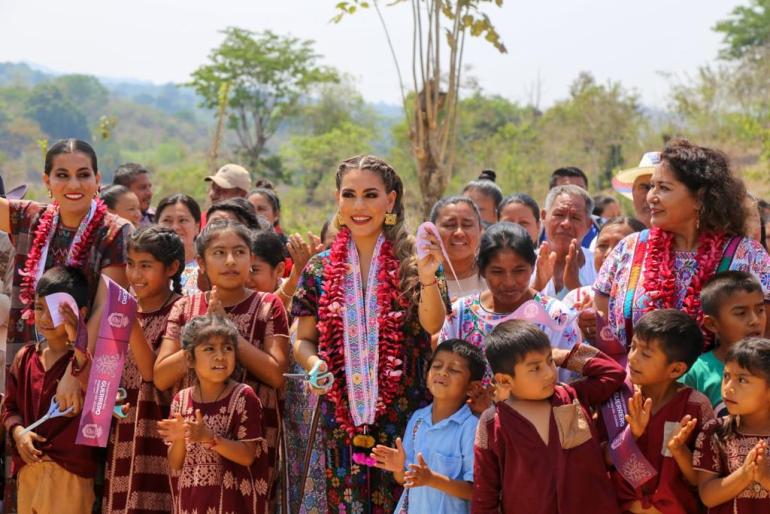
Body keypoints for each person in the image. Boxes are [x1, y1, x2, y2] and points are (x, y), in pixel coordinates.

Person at [291, 155, 449, 513]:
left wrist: (427, 277)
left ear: (390, 201)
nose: (359, 206)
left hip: (405, 412)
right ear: (337, 200)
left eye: (370, 195)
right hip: (340, 417)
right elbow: (302, 339)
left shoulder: (415, 258)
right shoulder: (319, 267)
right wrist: (314, 363)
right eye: (349, 195)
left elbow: (433, 325)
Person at [154, 219, 289, 500]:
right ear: (200, 263)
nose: (230, 261)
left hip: (249, 443)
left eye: (239, 252)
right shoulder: (185, 306)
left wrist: (227, 328)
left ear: (251, 258)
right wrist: (202, 335)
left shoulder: (268, 305)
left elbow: (276, 375)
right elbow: (162, 376)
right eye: (219, 253)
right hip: (194, 444)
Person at [595, 139, 770, 348]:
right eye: (652, 186)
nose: (651, 197)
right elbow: (605, 329)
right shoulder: (628, 249)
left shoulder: (748, 255)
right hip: (633, 379)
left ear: (700, 198)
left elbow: (762, 339)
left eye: (664, 188)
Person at [0, 139, 132, 414]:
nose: (73, 185)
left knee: (70, 454)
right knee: (22, 445)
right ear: (47, 180)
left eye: (83, 175)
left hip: (81, 367)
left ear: (98, 180)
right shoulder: (29, 217)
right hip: (26, 360)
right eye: (62, 175)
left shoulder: (115, 232)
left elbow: (105, 310)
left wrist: (75, 372)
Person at [472, 320, 624, 514]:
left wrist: (563, 355)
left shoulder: (571, 396)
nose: (549, 373)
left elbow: (613, 373)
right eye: (535, 368)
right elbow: (483, 495)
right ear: (504, 380)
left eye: (549, 361)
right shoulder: (492, 423)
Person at [102, 226, 185, 514]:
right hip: (123, 429)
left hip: (159, 428)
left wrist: (130, 322)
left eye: (146, 266)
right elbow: (109, 372)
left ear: (172, 268)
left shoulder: (180, 310)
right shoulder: (121, 310)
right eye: (131, 265)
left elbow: (153, 374)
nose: (135, 275)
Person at [439, 222, 582, 387]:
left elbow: (570, 385)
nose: (509, 282)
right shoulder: (459, 315)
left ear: (532, 266)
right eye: (497, 272)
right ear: (483, 270)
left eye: (519, 271)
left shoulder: (557, 317)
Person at [1, 267, 97, 514]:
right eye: (40, 308)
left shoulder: (85, 363)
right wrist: (18, 432)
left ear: (81, 313)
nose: (46, 318)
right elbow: (9, 407)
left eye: (58, 311)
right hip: (30, 468)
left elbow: (96, 401)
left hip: (70, 473)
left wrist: (79, 342)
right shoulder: (26, 357)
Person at [157, 315, 269, 514]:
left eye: (227, 348)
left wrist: (209, 438)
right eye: (209, 349)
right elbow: (175, 463)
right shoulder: (180, 401)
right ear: (190, 359)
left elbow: (247, 455)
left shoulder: (243, 397)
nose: (220, 356)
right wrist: (181, 439)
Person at [614, 309, 715, 513]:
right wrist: (630, 436)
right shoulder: (618, 398)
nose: (632, 358)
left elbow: (701, 479)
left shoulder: (695, 406)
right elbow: (599, 457)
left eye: (645, 354)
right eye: (632, 347)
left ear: (676, 370)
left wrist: (679, 450)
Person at [372, 339, 483, 513]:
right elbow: (405, 479)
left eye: (454, 370)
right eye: (437, 366)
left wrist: (432, 480)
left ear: (472, 387)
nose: (443, 372)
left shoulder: (471, 427)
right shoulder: (418, 419)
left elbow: (477, 490)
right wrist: (398, 467)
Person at [693, 337, 770, 513]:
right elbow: (707, 496)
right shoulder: (714, 431)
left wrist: (765, 477)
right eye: (726, 376)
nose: (728, 387)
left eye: (742, 380)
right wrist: (744, 474)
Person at [681, 271, 767, 416]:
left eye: (760, 310)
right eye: (741, 313)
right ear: (712, 324)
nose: (755, 320)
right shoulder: (697, 372)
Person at [563, 217, 646, 321]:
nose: (609, 253)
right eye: (602, 246)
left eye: (621, 246)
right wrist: (579, 328)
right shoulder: (575, 299)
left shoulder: (650, 301)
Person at [537, 184, 597, 299]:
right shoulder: (526, 264)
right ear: (544, 216)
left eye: (575, 217)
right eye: (559, 214)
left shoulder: (600, 268)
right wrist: (537, 286)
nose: (566, 224)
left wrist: (575, 287)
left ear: (588, 225)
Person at [430, 196, 486, 300]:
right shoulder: (420, 278)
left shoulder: (494, 277)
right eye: (450, 225)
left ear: (481, 230)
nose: (459, 232)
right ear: (432, 231)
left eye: (467, 225)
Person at [155, 194, 202, 295]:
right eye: (167, 221)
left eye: (183, 220)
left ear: (197, 227)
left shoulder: (206, 268)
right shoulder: (147, 266)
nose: (175, 227)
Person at [611, 151, 659, 228]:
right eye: (645, 188)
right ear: (633, 193)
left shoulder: (683, 238)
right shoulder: (621, 237)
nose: (651, 197)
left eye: (663, 188)